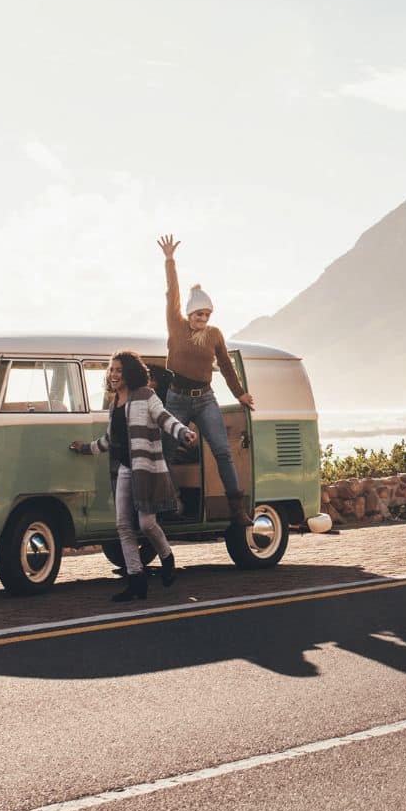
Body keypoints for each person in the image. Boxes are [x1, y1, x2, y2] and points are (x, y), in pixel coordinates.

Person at [70, 351, 198, 602]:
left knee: (146, 524)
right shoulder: (114, 403)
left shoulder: (146, 396)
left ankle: (167, 556)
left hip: (146, 469)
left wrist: (183, 433)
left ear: (129, 372)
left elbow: (165, 419)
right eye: (111, 370)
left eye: (118, 370)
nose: (114, 374)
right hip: (125, 470)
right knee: (123, 526)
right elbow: (109, 440)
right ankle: (136, 581)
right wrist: (85, 448)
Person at [156, 235, 257, 537]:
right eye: (199, 314)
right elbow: (172, 294)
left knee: (222, 451)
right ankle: (170, 503)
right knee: (164, 451)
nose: (203, 318)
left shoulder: (214, 334)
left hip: (205, 398)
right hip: (176, 399)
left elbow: (225, 365)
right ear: (189, 313)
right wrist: (170, 260)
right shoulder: (175, 325)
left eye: (207, 314)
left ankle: (237, 510)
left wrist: (240, 393)